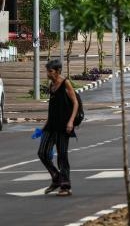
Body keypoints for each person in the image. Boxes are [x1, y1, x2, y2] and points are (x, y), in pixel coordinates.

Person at [39, 58, 78, 196]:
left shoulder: (65, 83)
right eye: (47, 71)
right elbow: (52, 107)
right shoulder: (52, 85)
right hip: (51, 125)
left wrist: (71, 122)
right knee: (42, 152)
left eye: (50, 71)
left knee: (62, 156)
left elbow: (75, 103)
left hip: (63, 126)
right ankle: (56, 177)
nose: (48, 74)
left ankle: (65, 186)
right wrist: (45, 125)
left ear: (57, 71)